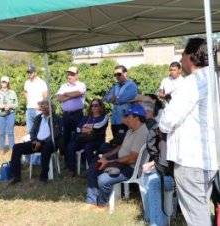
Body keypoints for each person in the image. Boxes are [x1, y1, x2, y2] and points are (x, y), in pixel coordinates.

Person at [159, 38, 218, 226]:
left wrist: (163, 120)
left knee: (197, 216)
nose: (181, 59)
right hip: (210, 158)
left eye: (182, 54)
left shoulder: (193, 82)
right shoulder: (215, 78)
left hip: (191, 159)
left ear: (191, 56)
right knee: (201, 207)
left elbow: (168, 120)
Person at [86, 104, 148, 207]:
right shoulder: (131, 130)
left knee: (103, 180)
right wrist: (105, 156)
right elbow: (120, 147)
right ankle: (91, 201)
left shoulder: (142, 133)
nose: (126, 119)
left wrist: (109, 162)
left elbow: (132, 159)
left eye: (128, 117)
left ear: (136, 118)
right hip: (121, 161)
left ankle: (102, 204)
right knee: (95, 165)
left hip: (130, 168)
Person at [10, 99, 63, 185]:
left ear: (51, 108)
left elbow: (55, 134)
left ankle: (43, 177)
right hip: (36, 142)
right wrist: (34, 141)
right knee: (17, 147)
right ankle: (16, 176)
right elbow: (32, 132)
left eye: (46, 106)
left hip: (50, 143)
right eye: (42, 106)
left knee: (46, 149)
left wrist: (41, 143)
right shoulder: (38, 118)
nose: (44, 108)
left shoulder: (56, 118)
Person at [66, 99, 108, 177]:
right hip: (85, 138)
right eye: (92, 105)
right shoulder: (87, 117)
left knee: (88, 147)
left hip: (97, 140)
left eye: (96, 105)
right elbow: (78, 128)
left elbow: (99, 126)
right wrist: (88, 129)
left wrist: (87, 126)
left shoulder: (104, 117)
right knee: (70, 146)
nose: (93, 107)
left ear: (100, 107)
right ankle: (72, 169)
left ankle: (93, 170)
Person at [56, 66, 86, 159]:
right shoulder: (63, 86)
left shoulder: (81, 84)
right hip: (66, 115)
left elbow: (78, 93)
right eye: (69, 74)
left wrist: (65, 94)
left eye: (72, 74)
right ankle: (67, 159)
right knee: (66, 136)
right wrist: (71, 96)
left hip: (77, 114)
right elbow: (58, 98)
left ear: (77, 75)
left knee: (79, 135)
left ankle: (81, 159)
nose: (70, 76)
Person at [103, 65, 138, 138]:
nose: (117, 76)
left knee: (123, 144)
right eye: (115, 75)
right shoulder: (116, 86)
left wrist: (115, 99)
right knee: (115, 142)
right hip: (115, 120)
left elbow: (121, 100)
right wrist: (114, 99)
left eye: (119, 74)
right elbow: (106, 97)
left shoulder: (132, 85)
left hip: (126, 122)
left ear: (125, 74)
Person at [24, 65, 48, 165]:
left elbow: (45, 95)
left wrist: (41, 106)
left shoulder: (41, 82)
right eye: (28, 72)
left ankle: (40, 158)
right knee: (30, 133)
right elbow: (25, 92)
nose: (30, 74)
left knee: (39, 133)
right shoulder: (27, 82)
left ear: (35, 72)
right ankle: (32, 158)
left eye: (31, 72)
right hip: (29, 109)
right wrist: (28, 103)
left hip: (38, 110)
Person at [0, 76, 18, 155]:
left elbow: (16, 104)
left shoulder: (12, 93)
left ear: (8, 83)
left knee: (10, 132)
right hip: (0, 115)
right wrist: (0, 106)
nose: (4, 83)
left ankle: (12, 148)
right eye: (2, 82)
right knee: (2, 132)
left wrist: (10, 106)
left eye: (5, 82)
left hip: (10, 114)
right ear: (0, 83)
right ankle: (2, 149)